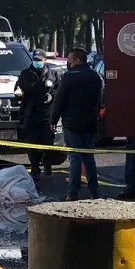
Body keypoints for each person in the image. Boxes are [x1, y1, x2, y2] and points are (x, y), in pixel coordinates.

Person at [51, 48, 103, 201]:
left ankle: (73, 192)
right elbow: (99, 99)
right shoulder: (95, 76)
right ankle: (94, 192)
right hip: (90, 122)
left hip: (72, 123)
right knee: (89, 158)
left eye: (70, 60)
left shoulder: (69, 77)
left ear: (78, 60)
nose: (68, 63)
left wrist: (53, 120)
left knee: (74, 158)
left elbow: (59, 101)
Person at [15, 49, 56, 182]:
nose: (37, 62)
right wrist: (18, 93)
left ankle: (47, 160)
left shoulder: (53, 74)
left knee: (47, 143)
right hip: (31, 114)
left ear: (45, 60)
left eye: (39, 59)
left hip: (47, 115)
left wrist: (52, 96)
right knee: (32, 144)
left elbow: (59, 91)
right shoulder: (25, 74)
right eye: (35, 59)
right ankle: (35, 169)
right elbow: (18, 89)